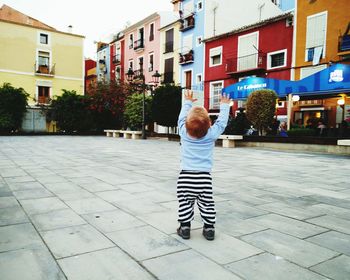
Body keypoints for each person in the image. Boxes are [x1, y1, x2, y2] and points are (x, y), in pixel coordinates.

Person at [176, 90, 230, 241]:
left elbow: (180, 119)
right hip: (204, 178)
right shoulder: (211, 134)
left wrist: (187, 102)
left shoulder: (183, 132)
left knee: (185, 202)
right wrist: (224, 105)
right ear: (209, 124)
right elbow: (222, 123)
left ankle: (185, 227)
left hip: (185, 177)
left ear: (186, 124)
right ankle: (209, 228)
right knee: (207, 203)